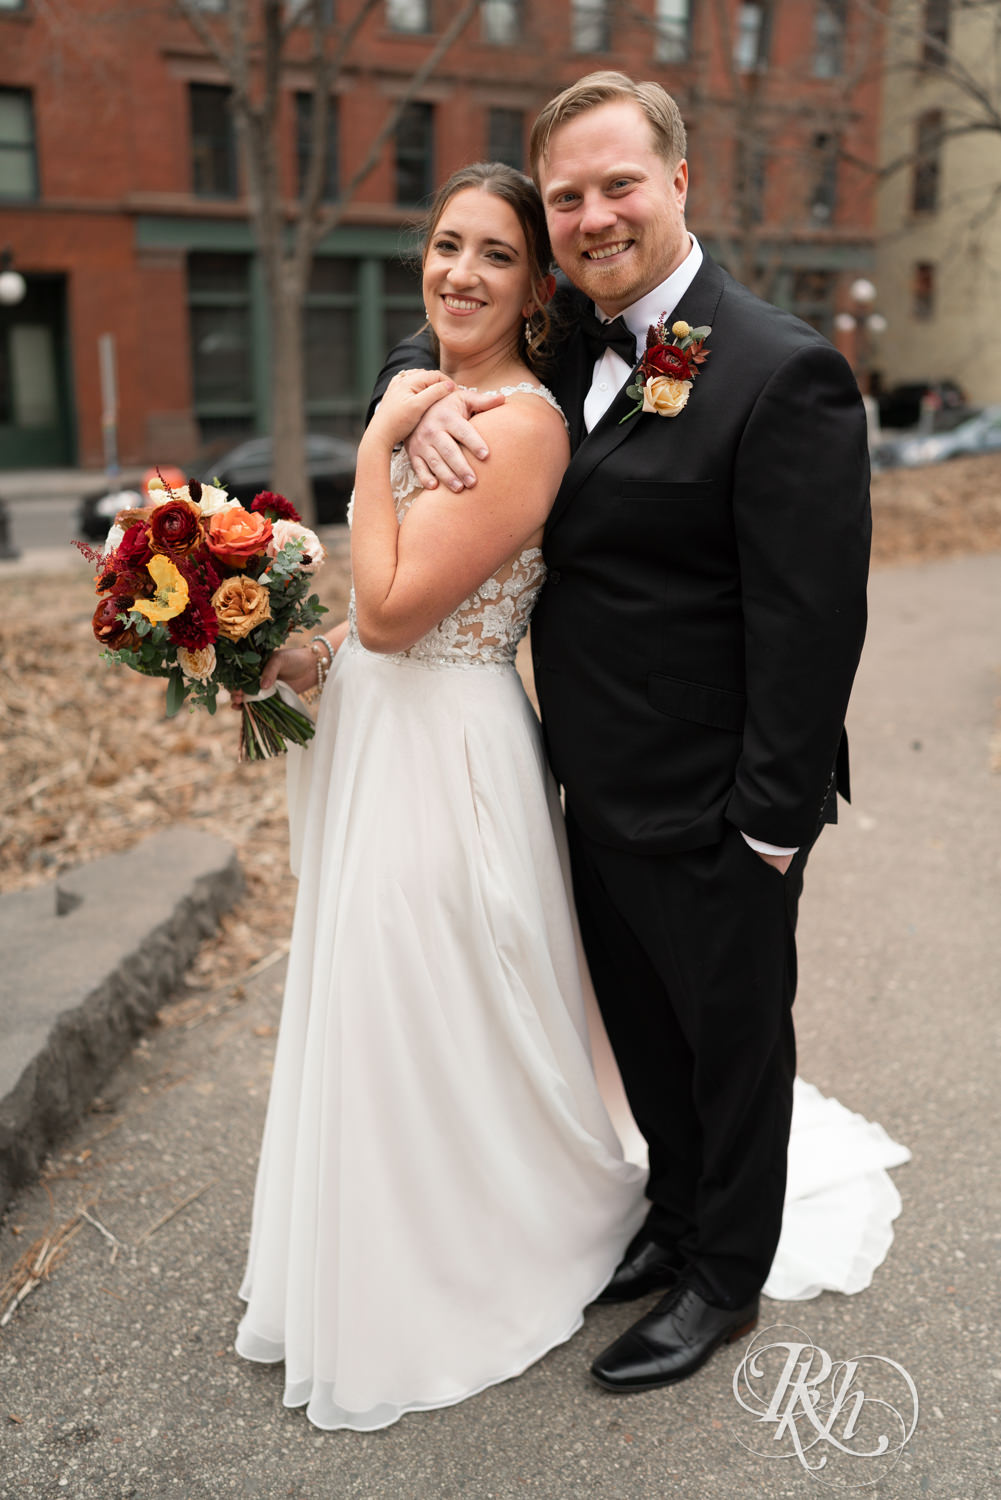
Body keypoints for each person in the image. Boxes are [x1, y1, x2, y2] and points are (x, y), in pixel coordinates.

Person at [369, 72, 877, 1395]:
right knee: (643, 1039)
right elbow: (441, 333)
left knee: (731, 1048)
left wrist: (768, 830)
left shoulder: (780, 369)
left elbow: (812, 623)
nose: (591, 216)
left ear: (677, 183)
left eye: (617, 186)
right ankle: (674, 1216)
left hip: (720, 807)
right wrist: (416, 401)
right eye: (566, 197)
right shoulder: (565, 344)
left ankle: (725, 1277)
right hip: (585, 785)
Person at [233, 162, 650, 1432]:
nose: (459, 273)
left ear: (535, 293)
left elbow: (398, 612)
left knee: (431, 1000)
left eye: (495, 256)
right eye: (444, 245)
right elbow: (364, 620)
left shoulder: (521, 426)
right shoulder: (428, 390)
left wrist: (374, 441)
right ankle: (364, 1258)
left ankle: (475, 1252)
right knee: (375, 1001)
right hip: (372, 733)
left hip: (449, 746)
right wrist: (280, 650)